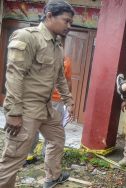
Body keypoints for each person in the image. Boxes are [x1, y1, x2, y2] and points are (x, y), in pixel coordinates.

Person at [0, 1, 75, 187]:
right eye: (66, 21)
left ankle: (53, 176)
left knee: (57, 139)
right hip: (26, 108)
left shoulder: (57, 45)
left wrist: (69, 101)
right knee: (14, 158)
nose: (69, 26)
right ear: (49, 16)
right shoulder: (27, 37)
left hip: (46, 107)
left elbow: (60, 77)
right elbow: (14, 76)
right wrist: (15, 112)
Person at [27, 55, 72, 163]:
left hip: (40, 97)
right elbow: (67, 82)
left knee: (34, 126)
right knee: (53, 129)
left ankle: (28, 155)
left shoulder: (40, 55)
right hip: (53, 99)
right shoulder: (65, 59)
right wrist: (68, 99)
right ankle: (47, 155)